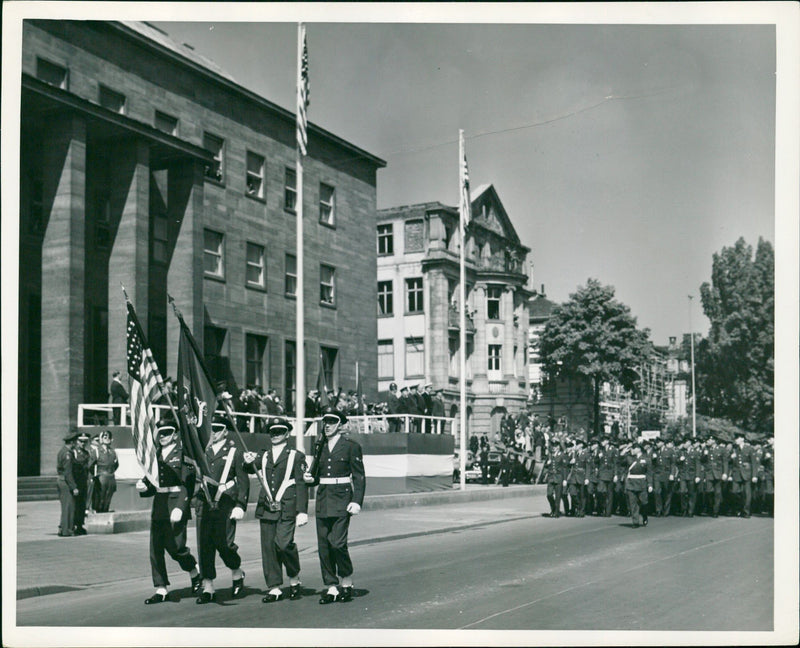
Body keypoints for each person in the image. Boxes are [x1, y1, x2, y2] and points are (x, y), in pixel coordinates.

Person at [243, 417, 309, 602]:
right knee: (268, 548)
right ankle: (274, 587)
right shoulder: (263, 455)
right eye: (272, 432)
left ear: (287, 434)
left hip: (287, 507)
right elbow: (249, 468)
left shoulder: (296, 456)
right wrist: (248, 462)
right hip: (267, 507)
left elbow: (301, 484)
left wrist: (302, 511)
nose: (275, 435)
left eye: (279, 432)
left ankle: (294, 578)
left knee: (283, 544)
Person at [136, 419, 202, 604]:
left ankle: (194, 571)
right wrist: (144, 486)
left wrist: (181, 507)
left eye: (167, 432)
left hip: (175, 504)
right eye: (161, 433)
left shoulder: (182, 454)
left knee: (176, 548)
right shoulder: (155, 454)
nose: (163, 436)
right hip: (160, 504)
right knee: (155, 548)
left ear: (175, 434)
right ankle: (161, 588)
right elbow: (152, 482)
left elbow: (188, 483)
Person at [305, 406, 366, 604]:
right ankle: (331, 586)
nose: (328, 425)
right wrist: (309, 478)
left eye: (332, 422)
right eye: (326, 422)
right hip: (323, 499)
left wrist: (356, 501)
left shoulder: (350, 446)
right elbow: (316, 477)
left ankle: (346, 581)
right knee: (324, 545)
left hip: (342, 499)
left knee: (337, 543)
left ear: (340, 425)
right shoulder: (319, 446)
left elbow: (359, 476)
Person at [195, 413, 250, 604]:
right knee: (205, 545)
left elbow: (243, 481)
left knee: (225, 544)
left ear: (226, 432)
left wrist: (240, 505)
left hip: (225, 501)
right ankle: (208, 585)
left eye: (218, 429)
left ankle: (236, 572)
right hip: (204, 503)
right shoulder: (203, 450)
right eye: (212, 429)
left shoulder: (234, 452)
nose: (214, 433)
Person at [624, 442, 653, 528]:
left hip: (642, 482)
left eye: (634, 448)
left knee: (644, 502)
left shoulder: (646, 459)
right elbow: (619, 461)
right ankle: (635, 521)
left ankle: (644, 515)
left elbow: (649, 472)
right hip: (631, 482)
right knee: (633, 503)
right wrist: (625, 451)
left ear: (639, 449)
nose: (632, 450)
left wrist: (650, 484)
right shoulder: (629, 458)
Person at [728, 431, 758, 518]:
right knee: (734, 492)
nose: (735, 440)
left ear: (742, 439)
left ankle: (746, 511)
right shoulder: (735, 449)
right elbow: (731, 463)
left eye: (737, 438)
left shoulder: (749, 449)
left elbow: (754, 463)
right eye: (735, 439)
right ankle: (738, 508)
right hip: (736, 474)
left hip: (747, 473)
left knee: (747, 493)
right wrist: (731, 458)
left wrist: (754, 475)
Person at [56, 430, 80, 537]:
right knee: (68, 507)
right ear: (72, 442)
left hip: (62, 481)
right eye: (76, 442)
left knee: (66, 506)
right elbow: (68, 473)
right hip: (65, 482)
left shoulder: (64, 451)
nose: (76, 444)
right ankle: (67, 530)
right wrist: (74, 487)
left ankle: (62, 528)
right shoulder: (67, 454)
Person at [72, 432, 93, 535]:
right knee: (75, 504)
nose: (83, 443)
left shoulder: (86, 453)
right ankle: (74, 524)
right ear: (77, 441)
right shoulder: (74, 453)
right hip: (76, 481)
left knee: (82, 504)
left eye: (85, 441)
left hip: (84, 481)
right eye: (81, 441)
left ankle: (80, 524)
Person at [94, 430, 119, 513]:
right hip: (101, 476)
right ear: (101, 439)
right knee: (100, 498)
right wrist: (97, 475)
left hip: (111, 476)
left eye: (109, 437)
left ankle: (105, 511)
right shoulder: (96, 451)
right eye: (105, 437)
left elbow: (116, 464)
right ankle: (99, 513)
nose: (107, 439)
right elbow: (90, 465)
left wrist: (110, 472)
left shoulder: (113, 452)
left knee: (108, 497)